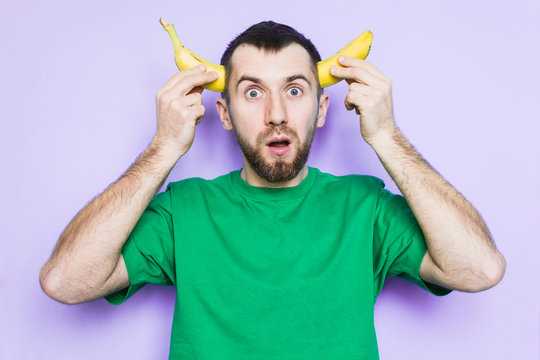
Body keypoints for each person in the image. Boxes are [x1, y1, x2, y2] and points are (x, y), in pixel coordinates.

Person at [39, 21, 506, 359]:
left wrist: (386, 137)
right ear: (223, 113)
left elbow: (480, 270)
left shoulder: (366, 208)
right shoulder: (184, 211)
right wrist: (162, 149)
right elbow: (64, 281)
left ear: (323, 109)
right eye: (254, 92)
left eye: (296, 90)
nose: (277, 114)